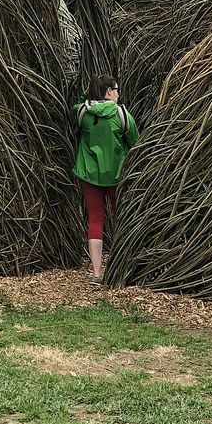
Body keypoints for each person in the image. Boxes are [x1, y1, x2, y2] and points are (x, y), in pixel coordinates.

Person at [72, 75, 139, 284]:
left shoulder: (81, 111)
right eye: (116, 89)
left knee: (95, 220)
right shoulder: (121, 114)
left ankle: (96, 273)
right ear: (109, 92)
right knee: (123, 217)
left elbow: (80, 103)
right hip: (117, 175)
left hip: (89, 174)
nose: (119, 93)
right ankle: (123, 266)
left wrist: (89, 94)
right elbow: (135, 141)